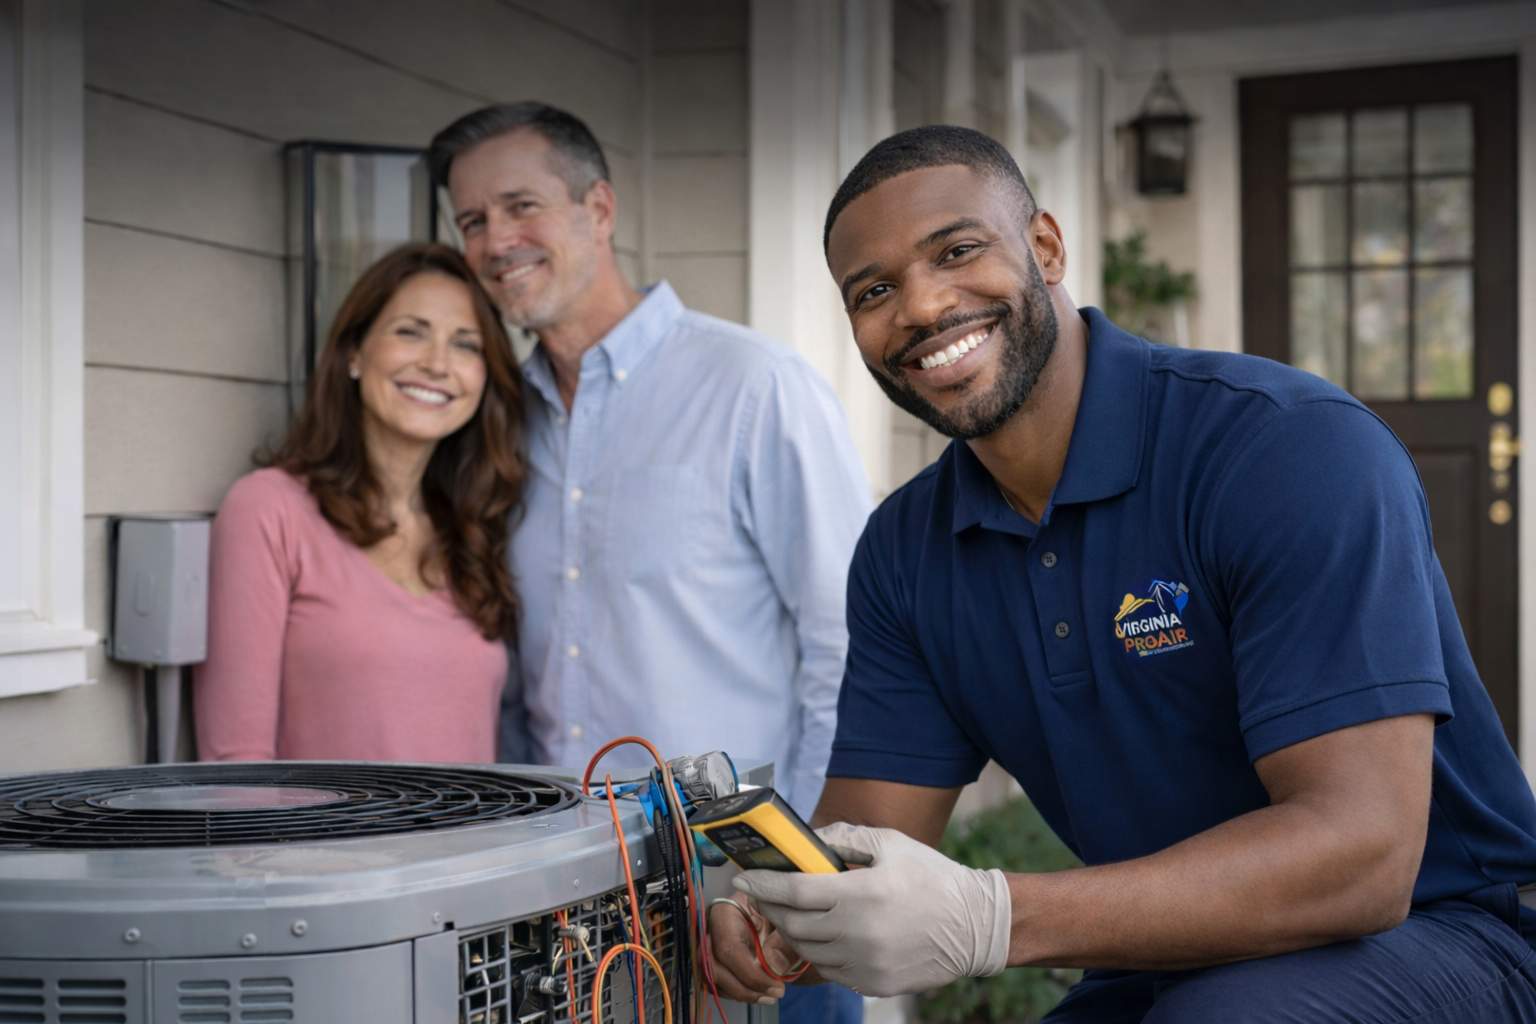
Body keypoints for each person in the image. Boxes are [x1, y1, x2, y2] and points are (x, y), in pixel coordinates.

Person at [710, 125, 1536, 1023]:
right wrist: (775, 915)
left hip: (1449, 934)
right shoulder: (905, 553)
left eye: (956, 250)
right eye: (874, 291)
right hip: (1170, 958)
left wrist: (995, 917)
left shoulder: (1284, 449)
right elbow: (868, 844)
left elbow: (1364, 860)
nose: (921, 305)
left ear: (1047, 247)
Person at [427, 102, 872, 1024]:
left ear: (599, 209)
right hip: (568, 903)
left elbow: (850, 648)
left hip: (746, 900)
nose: (496, 240)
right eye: (472, 221)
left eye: (520, 206)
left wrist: (801, 875)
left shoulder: (754, 387)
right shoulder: (496, 429)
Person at [196, 243, 525, 763]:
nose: (437, 363)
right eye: (410, 332)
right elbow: (234, 763)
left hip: (482, 846)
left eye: (466, 345)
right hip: (323, 845)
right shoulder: (269, 509)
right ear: (354, 353)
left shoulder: (472, 527)